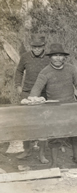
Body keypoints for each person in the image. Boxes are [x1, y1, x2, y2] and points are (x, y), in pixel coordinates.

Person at [29, 43, 77, 168]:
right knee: (55, 137)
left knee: (76, 134)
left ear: (64, 57)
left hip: (71, 106)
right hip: (55, 109)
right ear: (50, 57)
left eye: (60, 55)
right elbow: (36, 89)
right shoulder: (45, 72)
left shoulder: (70, 69)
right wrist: (32, 99)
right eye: (55, 56)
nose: (58, 58)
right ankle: (54, 163)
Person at [14, 34, 50, 163]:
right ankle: (27, 150)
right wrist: (18, 86)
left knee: (43, 125)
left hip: (43, 95)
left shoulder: (49, 58)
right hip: (27, 94)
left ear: (44, 46)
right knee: (25, 123)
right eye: (34, 47)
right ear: (31, 46)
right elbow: (18, 71)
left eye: (39, 47)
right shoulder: (25, 57)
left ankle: (42, 154)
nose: (36, 49)